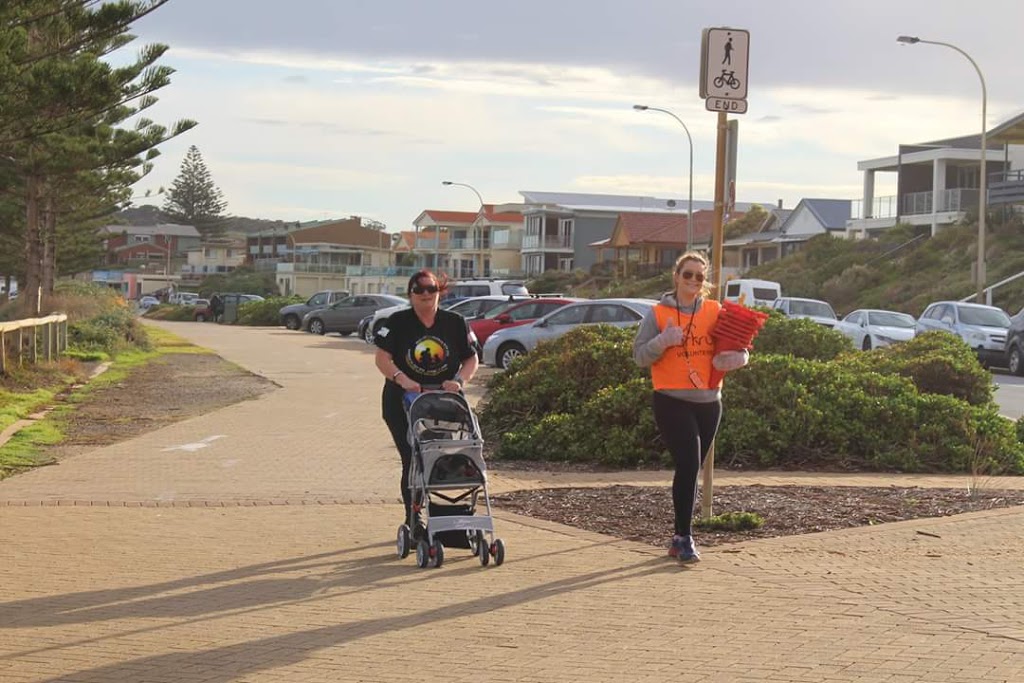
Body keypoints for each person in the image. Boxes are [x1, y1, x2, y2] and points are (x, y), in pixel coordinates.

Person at [633, 252, 748, 563]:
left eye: (700, 276)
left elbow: (734, 345)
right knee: (687, 464)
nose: (694, 281)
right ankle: (683, 537)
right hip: (671, 400)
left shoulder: (714, 310)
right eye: (688, 275)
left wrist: (739, 358)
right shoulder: (657, 314)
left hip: (710, 402)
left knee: (692, 468)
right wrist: (664, 341)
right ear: (676, 276)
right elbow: (639, 356)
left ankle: (679, 537)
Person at [374, 269, 479, 535]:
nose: (425, 294)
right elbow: (382, 358)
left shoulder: (455, 321)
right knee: (413, 458)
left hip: (443, 402)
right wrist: (402, 379)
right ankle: (414, 518)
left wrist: (459, 381)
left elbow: (471, 358)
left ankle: (450, 518)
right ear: (410, 294)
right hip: (403, 402)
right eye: (419, 289)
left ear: (439, 292)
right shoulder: (397, 321)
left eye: (430, 289)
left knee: (444, 458)